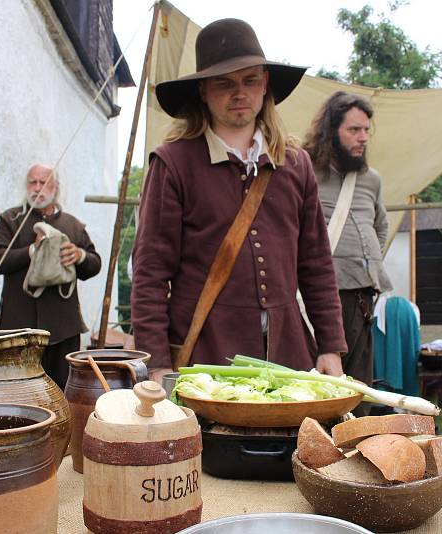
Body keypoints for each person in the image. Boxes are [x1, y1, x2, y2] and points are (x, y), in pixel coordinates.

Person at [131, 18, 348, 382]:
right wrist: (157, 364)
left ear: (265, 85)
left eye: (250, 80)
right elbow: (150, 272)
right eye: (224, 83)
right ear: (203, 90)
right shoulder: (174, 163)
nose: (239, 93)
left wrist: (329, 346)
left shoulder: (295, 164)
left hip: (288, 354)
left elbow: (317, 265)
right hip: (205, 356)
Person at [302, 91, 393, 412]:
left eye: (367, 130)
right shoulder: (305, 171)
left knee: (358, 385)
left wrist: (367, 261)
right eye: (354, 130)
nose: (363, 137)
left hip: (364, 293)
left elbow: (381, 226)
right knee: (321, 383)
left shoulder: (372, 180)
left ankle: (356, 447)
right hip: (324, 295)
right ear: (331, 130)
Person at [0, 163, 102, 389]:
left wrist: (79, 256)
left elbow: (94, 264)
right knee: (18, 394)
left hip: (63, 329)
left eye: (44, 182)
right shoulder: (10, 220)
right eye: (33, 182)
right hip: (18, 329)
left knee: (62, 394)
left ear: (55, 187)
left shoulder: (72, 225)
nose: (37, 188)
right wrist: (31, 251)